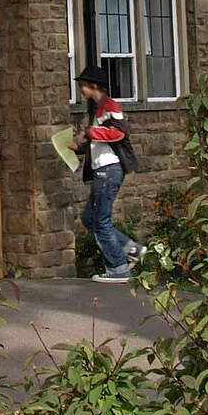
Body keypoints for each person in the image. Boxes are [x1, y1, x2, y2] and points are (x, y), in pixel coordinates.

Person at [75, 64, 143, 282]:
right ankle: (132, 251)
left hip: (109, 169)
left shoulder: (110, 105)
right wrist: (80, 147)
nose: (81, 91)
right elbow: (100, 142)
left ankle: (119, 268)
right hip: (101, 170)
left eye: (83, 86)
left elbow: (119, 133)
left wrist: (89, 132)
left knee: (101, 222)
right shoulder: (96, 109)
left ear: (94, 86)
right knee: (89, 219)